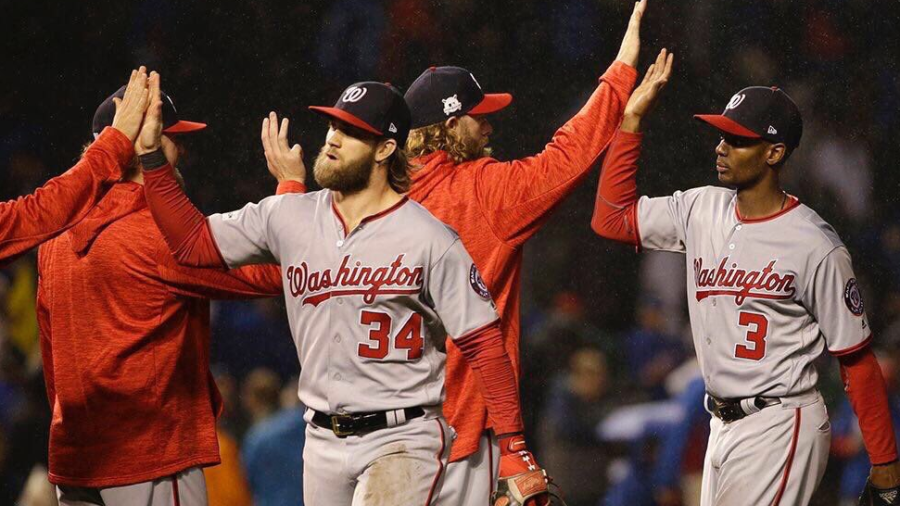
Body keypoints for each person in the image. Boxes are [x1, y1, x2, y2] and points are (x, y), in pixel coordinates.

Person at [141, 78, 541, 505]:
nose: (332, 139)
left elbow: (484, 344)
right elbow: (192, 243)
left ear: (386, 149)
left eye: (351, 131)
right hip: (320, 439)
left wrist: (513, 445)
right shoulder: (290, 216)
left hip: (404, 438)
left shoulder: (430, 238)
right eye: (333, 126)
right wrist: (151, 157)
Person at [591, 50, 900, 505]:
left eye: (737, 140)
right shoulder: (700, 208)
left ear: (774, 152)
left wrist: (887, 470)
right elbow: (611, 219)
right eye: (721, 136)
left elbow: (856, 360)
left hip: (782, 421)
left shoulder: (815, 243)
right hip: (718, 422)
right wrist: (631, 119)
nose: (720, 146)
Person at [400, 1, 648, 502]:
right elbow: (566, 158)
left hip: (386, 430)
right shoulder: (483, 191)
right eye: (478, 118)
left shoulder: (380, 198)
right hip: (464, 426)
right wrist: (619, 76)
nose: (489, 126)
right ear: (448, 127)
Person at [38, 71, 304, 506]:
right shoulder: (155, 232)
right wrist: (289, 190)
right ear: (144, 142)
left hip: (75, 459)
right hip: (150, 455)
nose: (181, 151)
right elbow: (275, 273)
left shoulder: (56, 234)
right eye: (172, 137)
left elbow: (52, 361)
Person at [0, 67, 150, 264]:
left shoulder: (53, 249)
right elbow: (42, 214)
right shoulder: (148, 240)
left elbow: (41, 214)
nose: (181, 150)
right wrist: (116, 142)